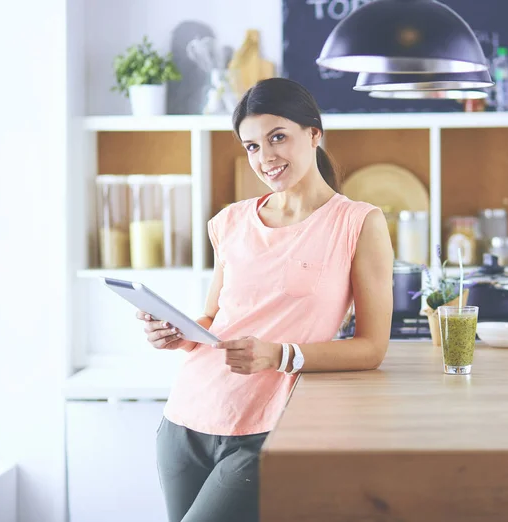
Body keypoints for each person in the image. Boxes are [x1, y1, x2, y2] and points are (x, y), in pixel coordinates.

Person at [136, 77, 394, 522]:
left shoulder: (358, 223)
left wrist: (278, 355)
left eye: (278, 137)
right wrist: (177, 334)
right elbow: (215, 316)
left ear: (314, 134)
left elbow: (372, 348)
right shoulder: (230, 221)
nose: (266, 157)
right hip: (186, 416)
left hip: (265, 429)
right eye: (252, 146)